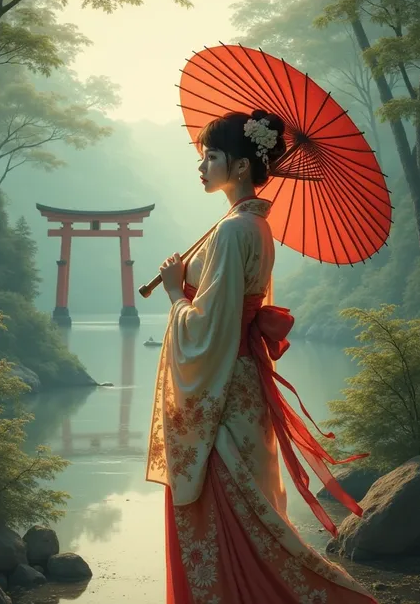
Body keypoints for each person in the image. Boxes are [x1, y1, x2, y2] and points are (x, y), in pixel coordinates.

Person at [146, 110, 378, 604]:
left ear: (244, 166)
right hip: (244, 379)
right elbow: (230, 307)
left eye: (212, 156)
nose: (202, 166)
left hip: (226, 387)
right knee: (253, 506)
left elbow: (211, 326)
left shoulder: (233, 231)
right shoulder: (249, 225)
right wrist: (192, 284)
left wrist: (175, 294)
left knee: (233, 504)